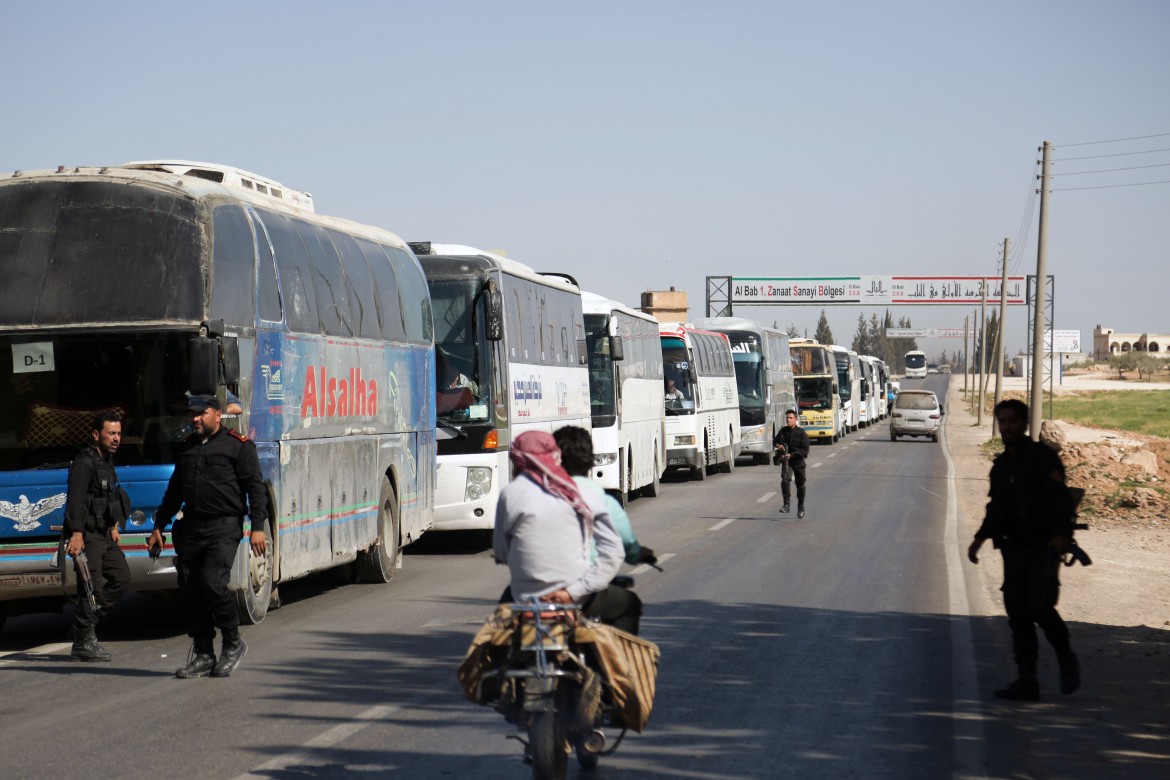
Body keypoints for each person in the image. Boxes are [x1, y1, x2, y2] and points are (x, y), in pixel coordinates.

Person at [148, 394, 269, 679]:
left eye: (201, 414)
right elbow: (174, 491)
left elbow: (256, 488)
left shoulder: (239, 447)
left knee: (214, 584)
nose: (195, 419)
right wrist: (159, 526)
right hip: (191, 528)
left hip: (224, 528)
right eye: (192, 414)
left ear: (217, 414)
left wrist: (258, 527)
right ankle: (203, 653)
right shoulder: (187, 448)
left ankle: (233, 642)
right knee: (191, 590)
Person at [968, 399, 1080, 701]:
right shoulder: (1002, 465)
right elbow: (996, 508)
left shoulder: (1043, 458)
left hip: (1043, 546)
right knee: (1017, 613)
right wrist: (979, 538)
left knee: (1040, 606)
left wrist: (1061, 535)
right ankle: (1027, 680)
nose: (1007, 427)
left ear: (1024, 423)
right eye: (1002, 422)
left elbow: (1062, 502)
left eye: (1012, 421)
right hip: (1013, 548)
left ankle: (1066, 656)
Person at [493, 431, 640, 634]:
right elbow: (614, 550)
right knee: (628, 604)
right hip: (579, 597)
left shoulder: (510, 494)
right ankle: (620, 665)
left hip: (526, 599)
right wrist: (570, 592)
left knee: (499, 630)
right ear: (555, 456)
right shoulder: (580, 493)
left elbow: (501, 552)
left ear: (517, 461)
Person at [62, 411, 132, 662]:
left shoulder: (107, 460)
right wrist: (77, 534)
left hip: (104, 534)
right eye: (111, 433)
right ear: (96, 435)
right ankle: (83, 642)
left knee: (122, 578)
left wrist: (113, 526)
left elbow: (108, 496)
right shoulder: (85, 462)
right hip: (87, 535)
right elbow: (76, 500)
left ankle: (84, 627)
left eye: (119, 433)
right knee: (91, 589)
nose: (116, 438)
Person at [553, 426, 657, 569]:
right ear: (590, 461)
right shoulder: (601, 501)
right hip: (585, 579)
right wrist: (636, 554)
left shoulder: (534, 497)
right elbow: (627, 541)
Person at [773, 409, 810, 518]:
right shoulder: (783, 431)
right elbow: (775, 441)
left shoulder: (802, 433)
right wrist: (778, 446)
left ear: (796, 419)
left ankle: (801, 506)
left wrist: (792, 455)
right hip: (786, 461)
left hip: (798, 461)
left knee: (800, 485)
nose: (788, 420)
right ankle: (786, 505)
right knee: (785, 480)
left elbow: (805, 450)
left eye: (790, 418)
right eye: (787, 418)